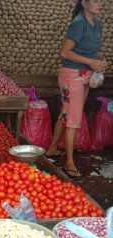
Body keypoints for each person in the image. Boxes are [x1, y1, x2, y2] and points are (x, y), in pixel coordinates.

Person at [46, 0, 107, 177]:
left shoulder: (97, 25)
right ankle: (69, 163)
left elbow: (90, 52)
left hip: (84, 75)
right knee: (73, 117)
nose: (99, 4)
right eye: (95, 1)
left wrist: (100, 60)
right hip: (72, 75)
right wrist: (91, 62)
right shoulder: (79, 23)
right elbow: (64, 53)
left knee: (67, 113)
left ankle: (51, 149)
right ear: (84, 3)